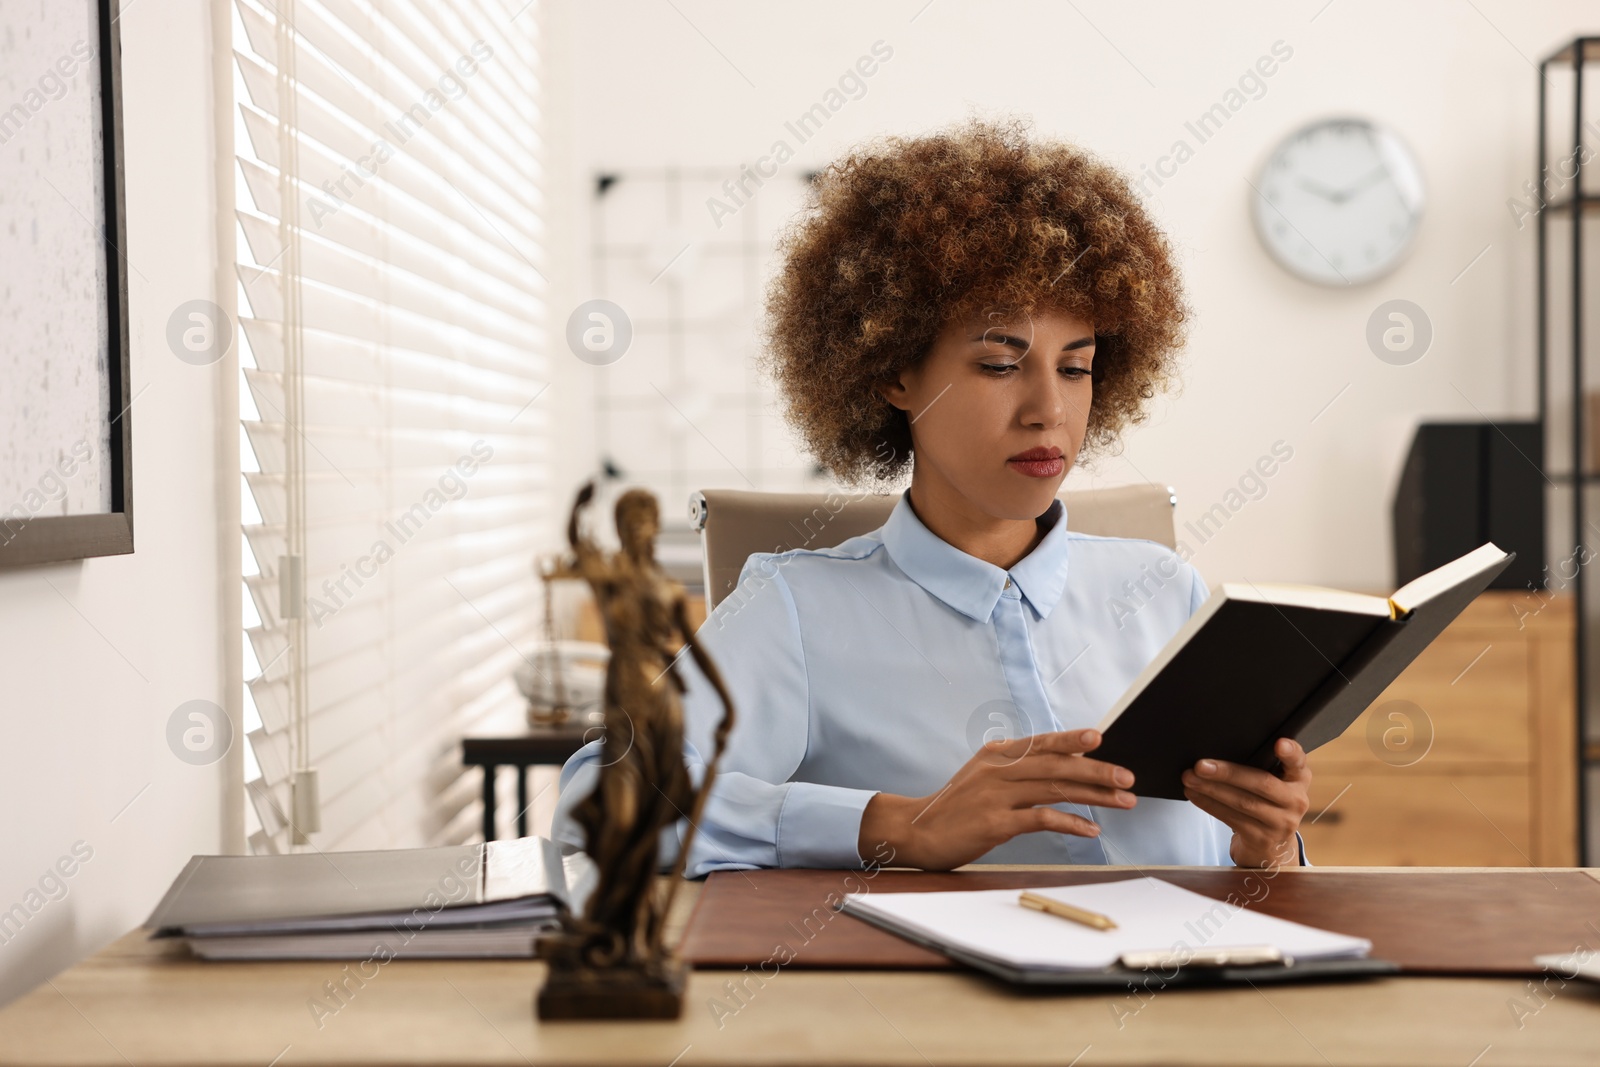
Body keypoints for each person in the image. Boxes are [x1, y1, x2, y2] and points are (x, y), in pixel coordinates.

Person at [552, 116, 1311, 877]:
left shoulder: (1164, 591)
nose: (1048, 409)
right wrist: (896, 824)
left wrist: (1269, 847)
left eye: (1076, 368)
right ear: (893, 373)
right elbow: (604, 802)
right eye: (997, 365)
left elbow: (1243, 881)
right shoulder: (798, 609)